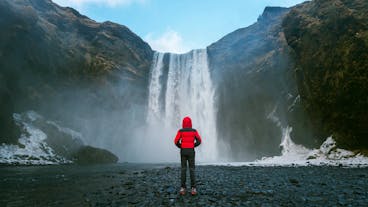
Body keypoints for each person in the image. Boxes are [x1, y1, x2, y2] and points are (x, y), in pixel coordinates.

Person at [174, 116, 202, 195]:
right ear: (190, 123)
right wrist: (193, 145)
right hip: (191, 151)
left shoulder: (180, 131)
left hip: (183, 151)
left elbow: (176, 141)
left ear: (183, 123)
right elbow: (199, 140)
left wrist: (181, 146)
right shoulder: (194, 131)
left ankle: (183, 188)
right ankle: (193, 189)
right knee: (192, 169)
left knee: (183, 169)